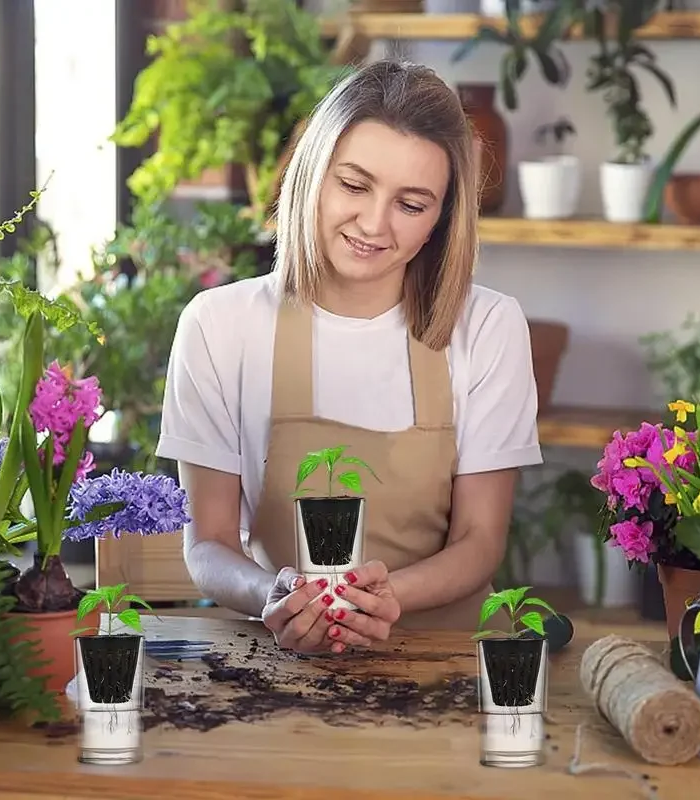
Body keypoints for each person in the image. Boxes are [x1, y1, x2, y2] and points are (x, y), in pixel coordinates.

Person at [156, 59, 542, 656]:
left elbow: (479, 538)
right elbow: (207, 544)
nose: (372, 223)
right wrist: (272, 596)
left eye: (411, 204)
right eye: (354, 185)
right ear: (312, 173)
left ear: (442, 219)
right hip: (283, 664)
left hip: (446, 663)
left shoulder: (489, 327)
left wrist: (387, 599)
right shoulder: (219, 325)